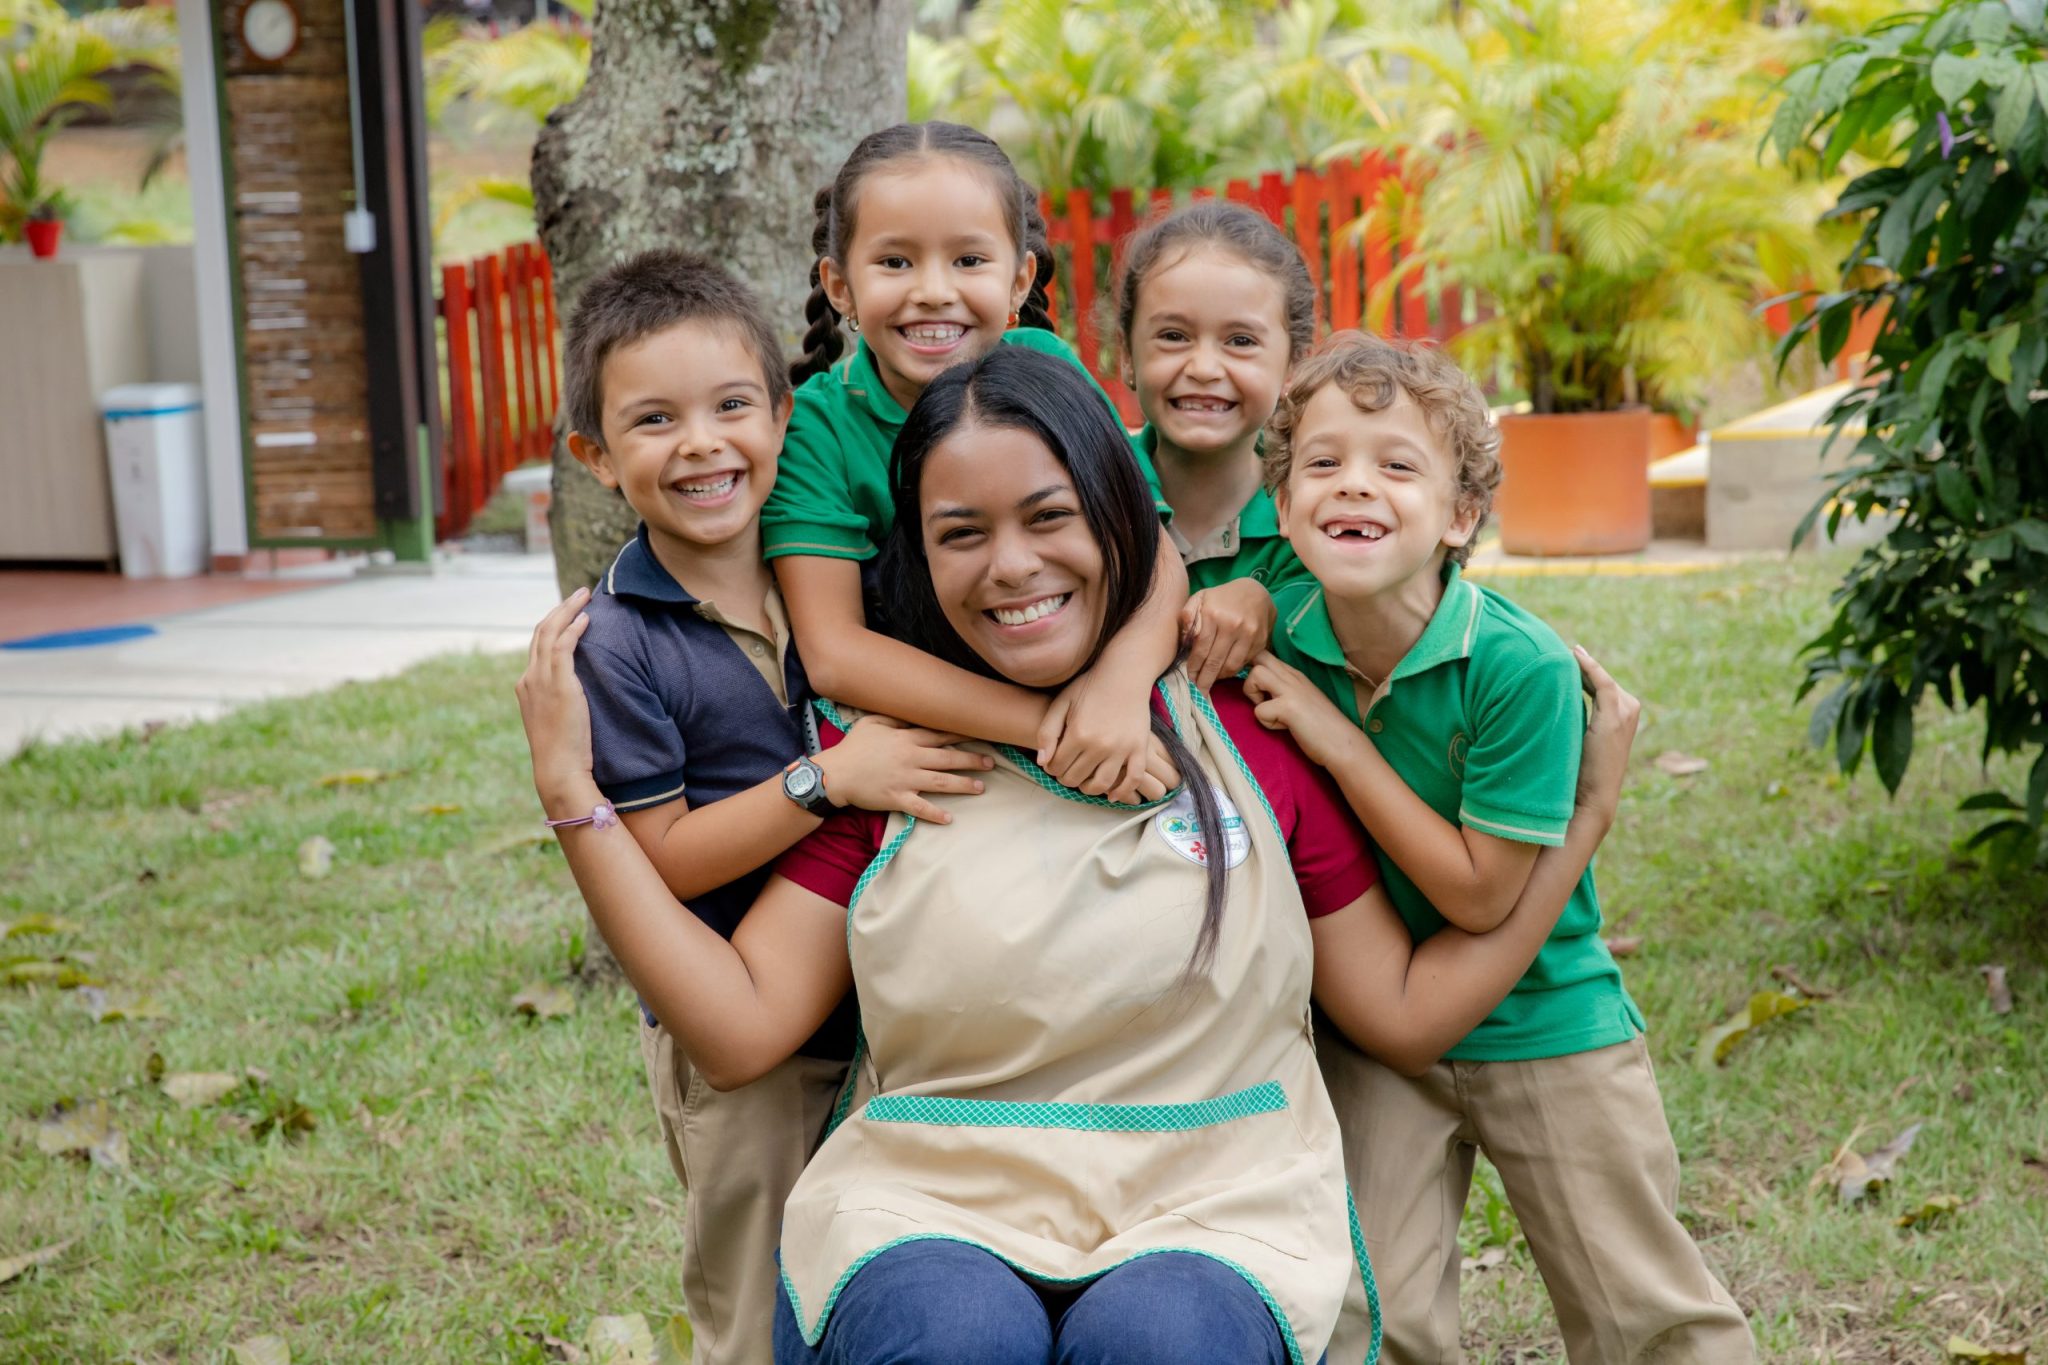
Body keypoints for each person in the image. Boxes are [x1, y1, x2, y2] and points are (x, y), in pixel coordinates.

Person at [519, 346, 1643, 1365]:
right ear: (917, 552)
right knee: (948, 1338)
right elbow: (735, 1030)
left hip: (1212, 1207)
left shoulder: (1249, 731)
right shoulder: (888, 766)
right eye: (961, 533)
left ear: (1119, 519)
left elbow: (1400, 1013)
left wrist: (1577, 829)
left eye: (1048, 518)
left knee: (1161, 1341)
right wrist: (578, 803)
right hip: (930, 1201)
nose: (1009, 566)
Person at [1244, 331, 1753, 1364]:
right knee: (1363, 1317)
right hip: (1373, 1031)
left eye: (1396, 465)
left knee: (1643, 1316)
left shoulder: (1513, 664)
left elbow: (1480, 896)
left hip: (1547, 1021)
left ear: (1460, 516)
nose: (1356, 486)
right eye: (1323, 463)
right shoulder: (1276, 643)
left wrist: (1340, 745)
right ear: (1284, 507)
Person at [557, 249, 997, 1365]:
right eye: (653, 422)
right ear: (595, 458)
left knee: (877, 1283)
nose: (702, 445)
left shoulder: (836, 579)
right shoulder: (618, 644)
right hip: (736, 1041)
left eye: (731, 407)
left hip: (891, 1006)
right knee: (754, 1310)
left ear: (781, 412)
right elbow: (661, 861)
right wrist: (823, 782)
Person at [764, 120, 1187, 808]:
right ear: (839, 286)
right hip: (936, 742)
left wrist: (1119, 686)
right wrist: (1057, 728)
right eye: (895, 263)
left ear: (1020, 276)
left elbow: (1153, 551)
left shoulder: (1049, 369)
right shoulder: (817, 426)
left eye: (968, 261)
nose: (933, 290)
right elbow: (836, 652)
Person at [1111, 201, 1318, 688]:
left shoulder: (1320, 513)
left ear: (1293, 367)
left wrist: (1270, 602)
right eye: (1174, 336)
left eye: (1241, 341)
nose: (1204, 367)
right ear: (1127, 356)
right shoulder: (1084, 491)